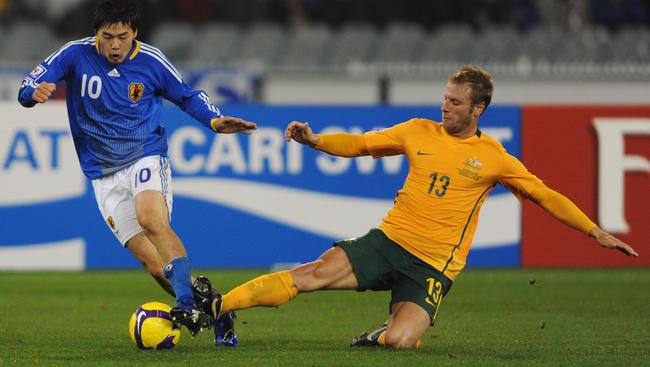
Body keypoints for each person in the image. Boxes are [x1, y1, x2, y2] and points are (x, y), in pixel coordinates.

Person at [192, 65, 638, 349]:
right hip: (389, 241)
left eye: (456, 102)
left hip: (433, 267)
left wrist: (592, 231)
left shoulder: (496, 158)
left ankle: (381, 334)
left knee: (401, 342)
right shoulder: (418, 130)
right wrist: (315, 141)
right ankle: (220, 307)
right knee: (310, 274)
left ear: (478, 109)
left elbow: (545, 196)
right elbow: (362, 145)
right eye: (445, 98)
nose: (445, 107)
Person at [17, 0, 255, 345]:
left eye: (122, 37)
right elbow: (30, 82)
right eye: (107, 36)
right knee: (154, 265)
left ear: (135, 34)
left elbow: (186, 96)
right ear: (96, 33)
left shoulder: (152, 61)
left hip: (145, 154)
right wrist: (31, 94)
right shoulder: (74, 54)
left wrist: (215, 120)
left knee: (151, 219)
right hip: (102, 173)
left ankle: (187, 304)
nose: (114, 45)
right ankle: (219, 309)